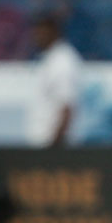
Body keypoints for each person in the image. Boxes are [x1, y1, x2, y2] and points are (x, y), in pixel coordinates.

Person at [28, 14, 83, 147]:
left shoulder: (63, 61)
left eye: (41, 32)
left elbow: (67, 106)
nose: (37, 37)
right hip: (43, 143)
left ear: (54, 32)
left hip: (54, 145)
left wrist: (55, 147)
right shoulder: (49, 59)